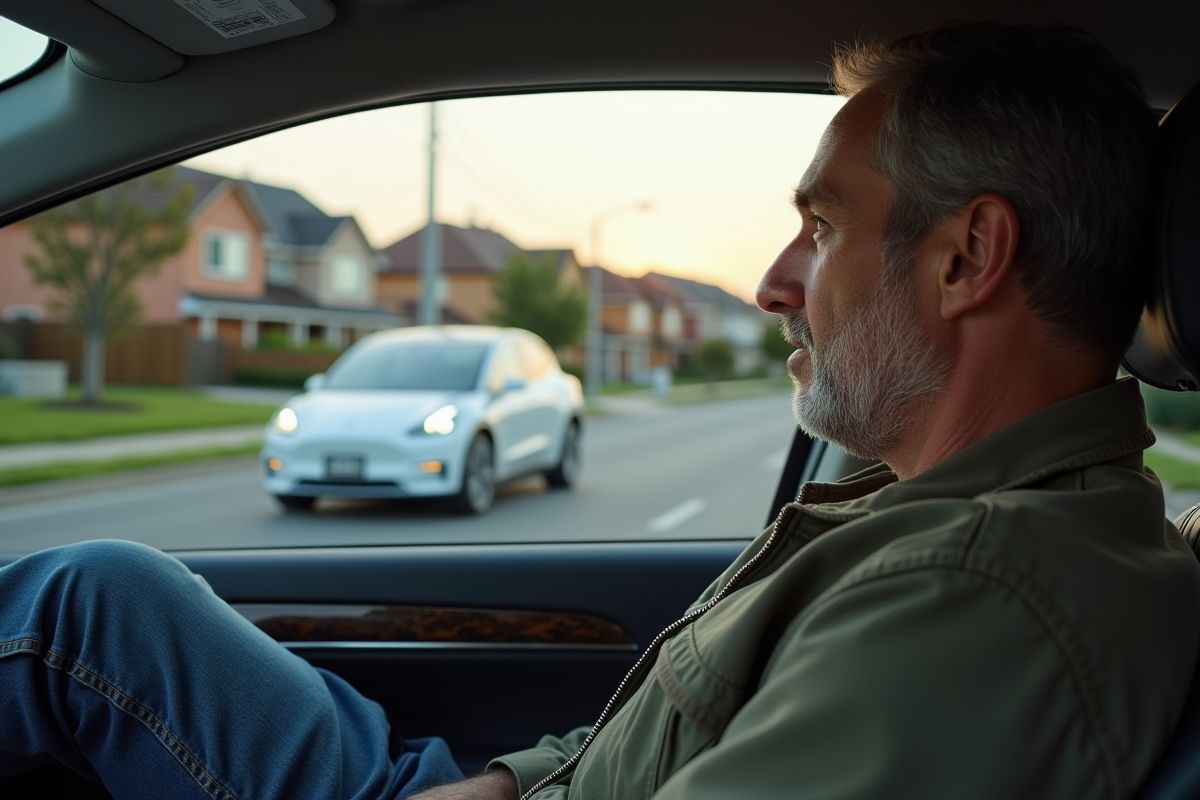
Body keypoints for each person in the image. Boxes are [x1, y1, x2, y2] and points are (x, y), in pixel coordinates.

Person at [3, 20, 1199, 800]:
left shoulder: (983, 593)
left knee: (69, 612)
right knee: (96, 597)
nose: (778, 282)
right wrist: (516, 778)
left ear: (966, 256)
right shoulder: (946, 516)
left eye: (822, 227)